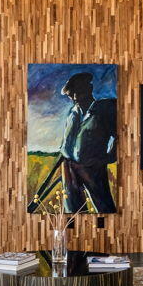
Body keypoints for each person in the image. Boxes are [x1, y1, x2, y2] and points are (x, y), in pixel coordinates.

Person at [57, 70, 117, 213]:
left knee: (103, 205)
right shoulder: (73, 113)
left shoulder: (104, 109)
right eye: (71, 93)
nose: (73, 97)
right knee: (72, 208)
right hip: (69, 166)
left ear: (88, 89)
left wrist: (108, 158)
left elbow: (119, 136)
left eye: (77, 91)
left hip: (92, 167)